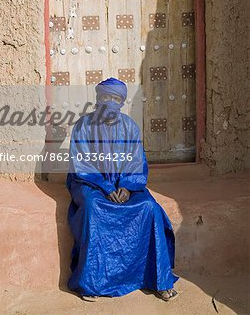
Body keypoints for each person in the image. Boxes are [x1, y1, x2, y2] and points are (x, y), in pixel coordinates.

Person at [66, 77, 179, 302]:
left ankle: (159, 280)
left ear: (122, 101)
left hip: (127, 183)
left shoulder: (130, 127)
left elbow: (137, 162)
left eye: (115, 98)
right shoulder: (83, 126)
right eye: (105, 97)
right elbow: (81, 165)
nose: (109, 103)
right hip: (91, 184)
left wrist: (127, 187)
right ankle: (91, 283)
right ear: (97, 99)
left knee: (149, 208)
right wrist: (107, 188)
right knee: (93, 207)